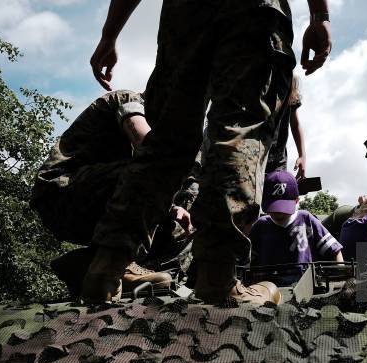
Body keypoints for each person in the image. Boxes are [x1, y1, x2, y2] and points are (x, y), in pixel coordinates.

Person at [85, 0, 332, 304]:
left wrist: (110, 34)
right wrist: (320, 16)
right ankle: (218, 276)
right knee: (239, 131)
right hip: (253, 11)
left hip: (185, 12)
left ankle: (106, 266)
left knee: (166, 140)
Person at [30, 90, 199, 298]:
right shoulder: (129, 99)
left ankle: (89, 262)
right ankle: (112, 267)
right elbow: (148, 148)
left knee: (188, 204)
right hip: (61, 194)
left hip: (95, 201)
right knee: (162, 170)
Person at [249, 171, 343, 285]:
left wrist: (340, 278)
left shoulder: (306, 219)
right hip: (266, 290)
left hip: (304, 288)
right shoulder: (260, 226)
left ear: (296, 201)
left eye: (283, 208)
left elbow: (334, 250)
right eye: (274, 208)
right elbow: (246, 261)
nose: (279, 213)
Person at [266, 73, 307, 179]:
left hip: (277, 160)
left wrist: (302, 155)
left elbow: (295, 124)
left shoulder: (289, 79)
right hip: (253, 153)